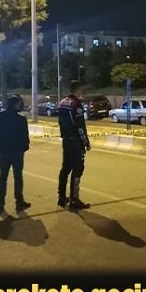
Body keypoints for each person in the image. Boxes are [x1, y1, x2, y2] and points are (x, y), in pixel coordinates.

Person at [0, 94, 31, 213]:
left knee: (3, 177)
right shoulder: (21, 119)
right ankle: (19, 202)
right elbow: (25, 137)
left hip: (3, 152)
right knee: (18, 177)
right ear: (15, 105)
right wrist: (24, 148)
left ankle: (0, 203)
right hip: (17, 152)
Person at [57, 81, 91, 209]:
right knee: (78, 169)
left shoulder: (62, 103)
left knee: (65, 168)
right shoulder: (76, 104)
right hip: (76, 142)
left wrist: (64, 135)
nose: (82, 91)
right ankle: (74, 199)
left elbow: (60, 122)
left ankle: (61, 197)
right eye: (81, 89)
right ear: (78, 89)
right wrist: (86, 143)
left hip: (66, 140)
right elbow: (80, 126)